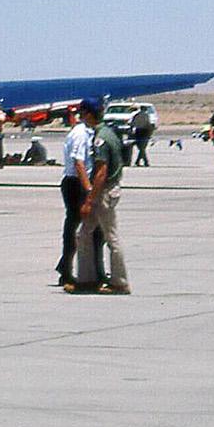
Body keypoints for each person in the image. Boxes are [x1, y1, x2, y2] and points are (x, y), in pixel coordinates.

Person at [70, 100, 131, 294]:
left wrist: (89, 200)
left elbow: (101, 172)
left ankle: (120, 282)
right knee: (83, 234)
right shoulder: (108, 132)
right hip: (104, 190)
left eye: (82, 113)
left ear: (89, 114)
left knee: (111, 236)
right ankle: (86, 279)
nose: (80, 117)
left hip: (104, 192)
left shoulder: (101, 138)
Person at [58, 101, 97, 286]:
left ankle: (65, 265)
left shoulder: (87, 132)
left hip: (77, 181)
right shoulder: (80, 134)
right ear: (87, 114)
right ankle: (66, 268)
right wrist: (88, 189)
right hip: (76, 183)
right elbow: (78, 163)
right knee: (75, 227)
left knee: (76, 226)